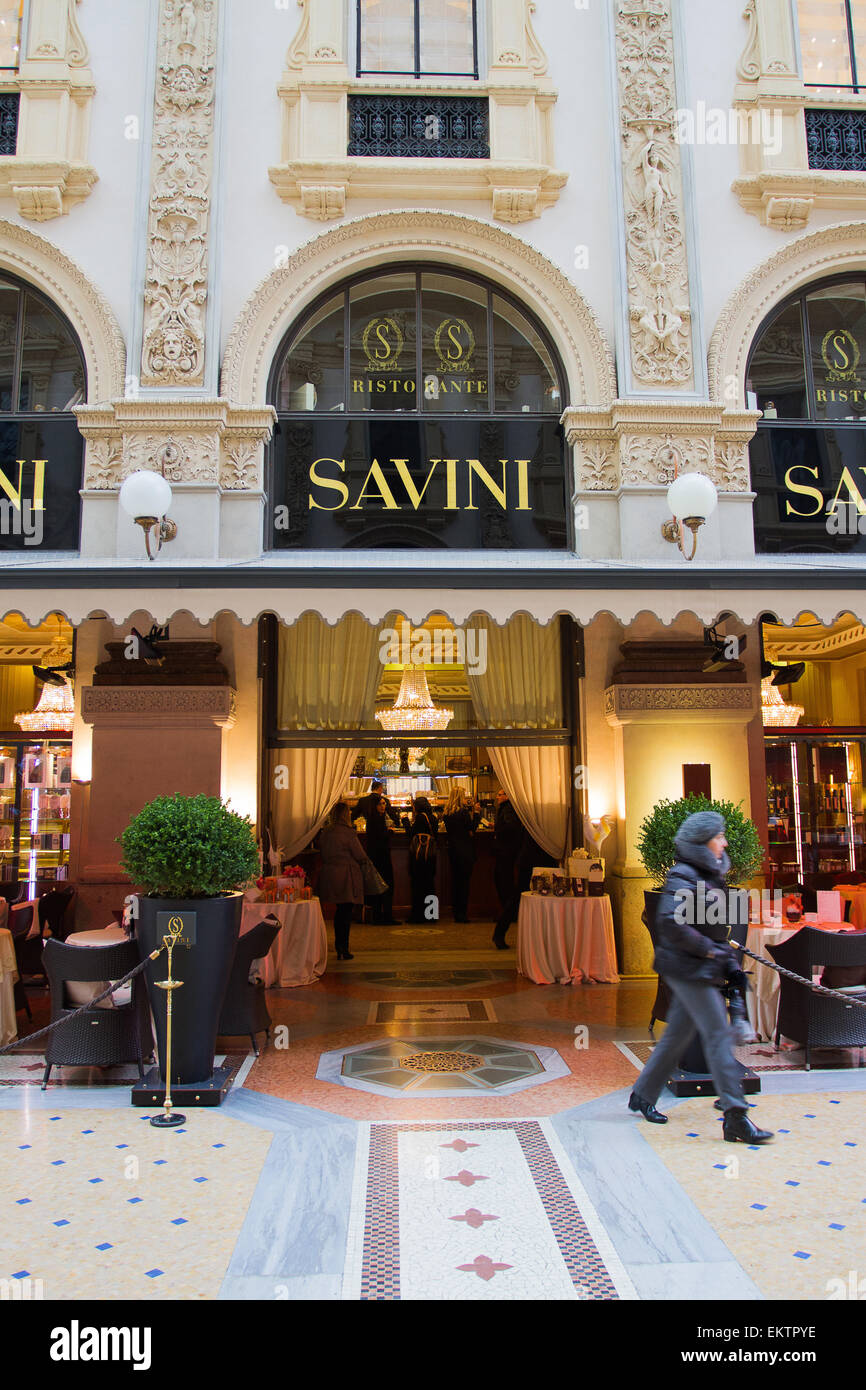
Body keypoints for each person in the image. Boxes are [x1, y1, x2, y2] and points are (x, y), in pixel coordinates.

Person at [628, 810, 774, 1144]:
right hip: (687, 969)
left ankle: (642, 1095)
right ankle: (735, 1115)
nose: (724, 842)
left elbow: (711, 921)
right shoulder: (683, 874)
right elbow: (670, 922)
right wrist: (710, 950)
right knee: (718, 1035)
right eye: (719, 836)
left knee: (676, 1036)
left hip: (701, 967)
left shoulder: (710, 873)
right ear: (703, 842)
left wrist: (725, 958)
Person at [317, 802, 370, 960]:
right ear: (346, 814)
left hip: (329, 875)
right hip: (346, 876)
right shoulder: (348, 833)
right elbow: (360, 855)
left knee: (339, 911)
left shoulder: (326, 832)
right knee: (345, 913)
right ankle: (343, 947)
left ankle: (338, 945)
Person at [352, 780, 401, 925]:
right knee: (386, 882)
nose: (383, 805)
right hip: (382, 854)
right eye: (381, 804)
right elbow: (393, 822)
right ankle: (384, 915)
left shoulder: (363, 802)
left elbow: (352, 816)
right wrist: (391, 831)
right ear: (380, 789)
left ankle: (376, 914)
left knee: (375, 883)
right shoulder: (378, 817)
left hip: (371, 852)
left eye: (384, 804)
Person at [492, 789, 524, 949]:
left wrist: (498, 832)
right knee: (507, 885)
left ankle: (505, 917)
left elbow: (510, 827)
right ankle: (506, 917)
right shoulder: (509, 809)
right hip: (509, 852)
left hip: (506, 852)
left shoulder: (508, 809)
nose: (497, 797)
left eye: (499, 794)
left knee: (504, 883)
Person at [444, 788, 481, 924]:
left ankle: (456, 913)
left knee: (456, 882)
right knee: (464, 884)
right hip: (465, 850)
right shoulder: (463, 812)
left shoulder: (447, 813)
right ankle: (462, 914)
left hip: (453, 850)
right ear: (461, 797)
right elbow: (472, 828)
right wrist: (476, 813)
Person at [405, 795, 439, 923]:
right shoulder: (433, 818)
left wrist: (405, 822)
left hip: (419, 856)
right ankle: (432, 915)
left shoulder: (420, 818)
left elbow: (411, 834)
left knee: (418, 886)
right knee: (430, 885)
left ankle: (417, 916)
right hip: (431, 856)